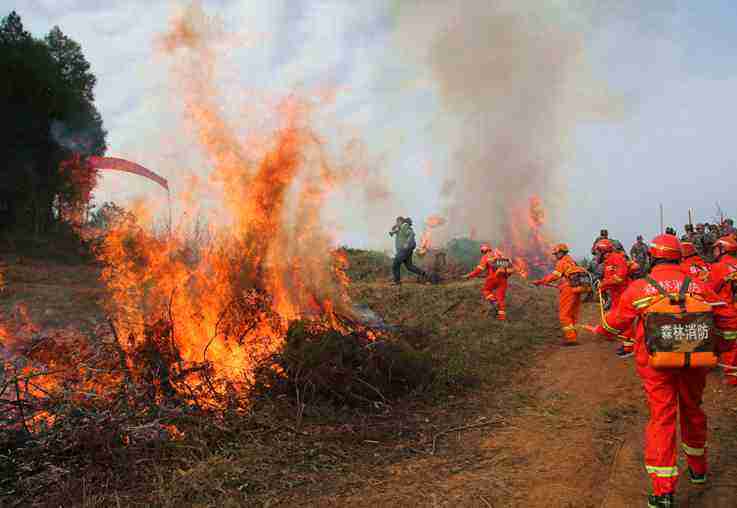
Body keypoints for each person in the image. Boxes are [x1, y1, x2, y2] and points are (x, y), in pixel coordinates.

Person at [590, 234, 737, 507]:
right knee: (693, 410)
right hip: (694, 362)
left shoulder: (640, 288)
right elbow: (728, 315)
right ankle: (698, 470)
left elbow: (615, 323)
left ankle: (663, 492)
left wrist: (599, 330)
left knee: (662, 419)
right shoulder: (697, 285)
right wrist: (722, 346)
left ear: (653, 257)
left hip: (657, 367)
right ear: (678, 257)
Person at [532, 243, 588, 345]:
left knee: (564, 315)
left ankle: (571, 339)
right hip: (576, 289)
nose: (555, 255)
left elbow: (554, 276)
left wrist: (541, 281)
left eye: (556, 253)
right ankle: (573, 335)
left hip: (568, 290)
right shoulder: (572, 261)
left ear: (561, 252)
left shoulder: (562, 262)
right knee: (572, 313)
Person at [595, 239, 634, 358]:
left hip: (624, 295)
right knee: (621, 320)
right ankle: (628, 344)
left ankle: (630, 347)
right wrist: (603, 286)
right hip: (617, 296)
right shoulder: (608, 261)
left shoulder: (616, 258)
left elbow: (619, 278)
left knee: (624, 320)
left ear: (603, 251)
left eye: (597, 251)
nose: (596, 254)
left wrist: (604, 284)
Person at [463, 244, 514, 320]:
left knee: (486, 290)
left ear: (483, 251)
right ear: (490, 249)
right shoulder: (500, 255)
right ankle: (502, 317)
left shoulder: (486, 257)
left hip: (492, 278)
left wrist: (469, 276)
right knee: (501, 298)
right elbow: (509, 267)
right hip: (503, 279)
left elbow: (479, 270)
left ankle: (493, 300)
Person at [390, 217, 427, 285]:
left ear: (400, 221)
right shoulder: (400, 228)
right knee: (409, 266)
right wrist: (393, 232)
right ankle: (423, 274)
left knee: (395, 265)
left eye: (397, 222)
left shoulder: (405, 226)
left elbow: (411, 234)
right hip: (406, 250)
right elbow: (395, 231)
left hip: (404, 250)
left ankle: (397, 281)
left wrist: (407, 243)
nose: (396, 223)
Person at [707, 236, 737, 315]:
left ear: (722, 249)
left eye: (715, 249)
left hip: (728, 317)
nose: (713, 252)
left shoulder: (718, 266)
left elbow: (709, 292)